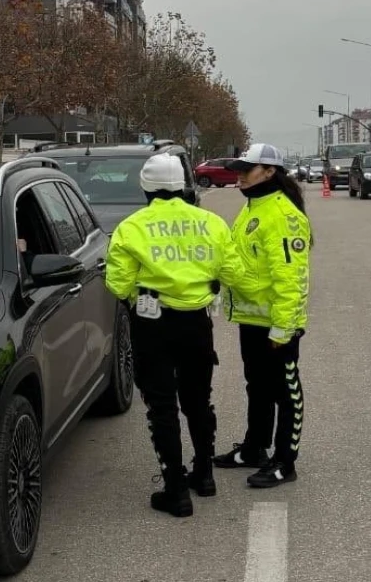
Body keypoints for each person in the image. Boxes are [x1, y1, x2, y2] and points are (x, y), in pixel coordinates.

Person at [104, 154, 245, 517]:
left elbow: (117, 283)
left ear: (145, 188)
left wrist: (141, 297)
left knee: (162, 406)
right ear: (183, 185)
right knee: (198, 400)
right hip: (197, 324)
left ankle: (175, 489)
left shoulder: (131, 227)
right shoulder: (211, 222)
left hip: (153, 324)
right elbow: (232, 271)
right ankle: (205, 474)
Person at [214, 143, 313, 488]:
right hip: (251, 319)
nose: (240, 175)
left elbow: (291, 278)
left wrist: (283, 328)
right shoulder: (253, 207)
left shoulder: (283, 216)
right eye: (239, 169)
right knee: (257, 387)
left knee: (286, 393)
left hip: (275, 324)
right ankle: (255, 448)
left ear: (270, 171)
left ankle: (285, 461)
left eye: (247, 169)